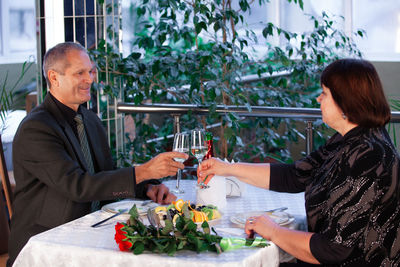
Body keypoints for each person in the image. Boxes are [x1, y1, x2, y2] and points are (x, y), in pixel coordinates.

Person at [197, 59, 400, 266]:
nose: (319, 99)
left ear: (345, 103)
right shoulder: (351, 140)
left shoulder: (369, 157)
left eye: (325, 94)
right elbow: (295, 175)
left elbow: (334, 249)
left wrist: (273, 231)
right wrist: (227, 169)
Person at [7, 42, 188, 266]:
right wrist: (143, 171)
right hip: (47, 241)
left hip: (92, 228)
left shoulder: (90, 120)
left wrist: (147, 188)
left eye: (90, 71)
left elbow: (104, 175)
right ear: (54, 77)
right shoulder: (36, 128)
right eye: (79, 73)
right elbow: (77, 186)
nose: (90, 79)